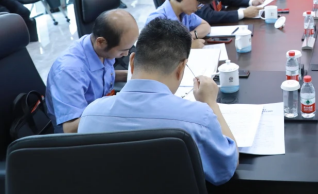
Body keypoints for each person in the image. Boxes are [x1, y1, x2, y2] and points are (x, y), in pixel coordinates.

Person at [78, 18, 238, 185]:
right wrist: (211, 103)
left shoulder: (90, 115)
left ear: (132, 62)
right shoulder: (198, 118)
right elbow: (227, 167)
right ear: (180, 68)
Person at [45, 9, 138, 133]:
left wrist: (132, 75)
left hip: (100, 113)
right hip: (80, 134)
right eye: (122, 50)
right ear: (101, 42)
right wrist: (116, 110)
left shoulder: (97, 47)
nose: (126, 54)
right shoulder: (69, 71)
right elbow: (70, 129)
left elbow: (99, 76)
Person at [145, 0, 212, 49]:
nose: (199, 7)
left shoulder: (185, 13)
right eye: (199, 2)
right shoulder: (156, 19)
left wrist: (190, 36)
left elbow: (206, 26)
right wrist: (188, 47)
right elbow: (155, 52)